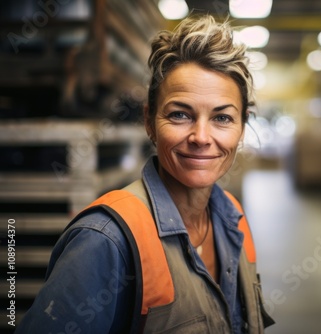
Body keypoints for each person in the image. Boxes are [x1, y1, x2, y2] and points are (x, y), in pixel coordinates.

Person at [17, 14, 274, 334]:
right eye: (180, 114)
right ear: (149, 121)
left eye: (222, 118)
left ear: (242, 127)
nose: (201, 137)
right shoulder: (107, 240)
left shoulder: (233, 220)